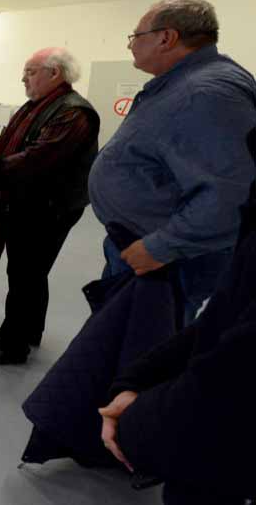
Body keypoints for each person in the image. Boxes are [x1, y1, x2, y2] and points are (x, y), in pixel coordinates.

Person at [99, 131, 256, 504]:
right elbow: (222, 316)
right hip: (206, 442)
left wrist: (136, 423)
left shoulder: (216, 104)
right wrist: (135, 381)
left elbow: (236, 368)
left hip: (222, 448)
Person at [89, 0, 256, 325]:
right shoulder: (179, 84)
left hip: (166, 259)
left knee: (144, 340)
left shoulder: (205, 93)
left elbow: (232, 192)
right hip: (143, 246)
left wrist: (161, 247)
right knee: (118, 334)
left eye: (136, 36)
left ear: (166, 38)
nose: (130, 45)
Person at [0, 48, 100, 365]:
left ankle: (13, 345)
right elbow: (5, 142)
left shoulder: (74, 112)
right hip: (28, 202)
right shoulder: (36, 106)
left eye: (30, 71)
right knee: (30, 271)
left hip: (48, 208)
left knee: (25, 272)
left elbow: (38, 159)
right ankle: (27, 329)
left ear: (54, 73)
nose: (23, 78)